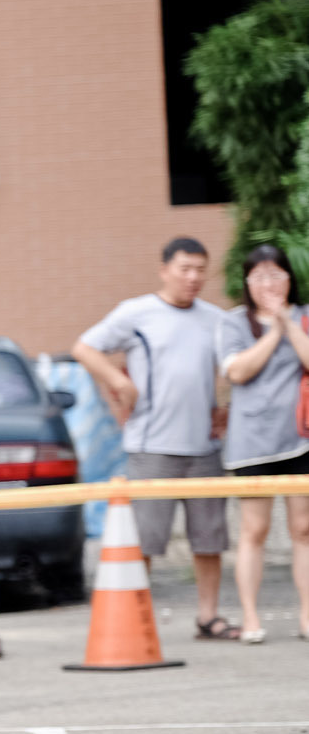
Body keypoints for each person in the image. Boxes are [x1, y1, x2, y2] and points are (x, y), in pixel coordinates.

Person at [72, 236, 238, 640]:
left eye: (200, 269)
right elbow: (85, 348)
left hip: (204, 449)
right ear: (165, 269)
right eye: (185, 268)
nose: (193, 277)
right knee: (143, 542)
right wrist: (117, 382)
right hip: (151, 447)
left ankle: (208, 616)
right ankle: (135, 621)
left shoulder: (216, 319)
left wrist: (227, 408)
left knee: (209, 541)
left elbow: (237, 368)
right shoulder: (137, 313)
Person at [217, 244, 309, 644]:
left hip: (299, 440)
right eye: (259, 277)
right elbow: (238, 372)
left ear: (290, 279)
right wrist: (273, 331)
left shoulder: (304, 317)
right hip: (251, 443)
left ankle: (307, 616)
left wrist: (288, 324)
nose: (268, 284)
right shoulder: (233, 323)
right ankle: (251, 617)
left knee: (303, 529)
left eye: (276, 275)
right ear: (247, 283)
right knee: (253, 530)